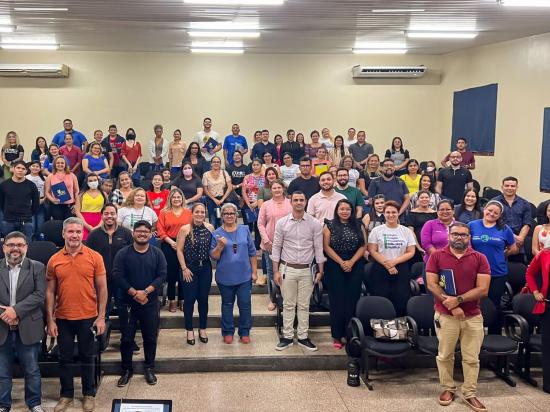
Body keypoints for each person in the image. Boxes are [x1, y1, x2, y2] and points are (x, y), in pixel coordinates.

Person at [426, 222, 491, 412]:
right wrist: (452, 306)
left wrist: (459, 300)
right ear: (449, 235)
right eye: (455, 234)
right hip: (446, 316)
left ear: (469, 237)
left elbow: (483, 289)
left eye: (463, 235)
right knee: (445, 355)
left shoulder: (479, 257)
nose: (459, 238)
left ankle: (470, 393)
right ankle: (448, 388)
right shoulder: (437, 256)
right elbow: (432, 284)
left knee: (472, 358)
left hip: (472, 316)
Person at [46, 217, 108, 412]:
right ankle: (66, 395)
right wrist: (50, 319)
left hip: (88, 316)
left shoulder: (94, 257)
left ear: (83, 234)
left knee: (87, 357)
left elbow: (102, 289)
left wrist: (101, 316)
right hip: (63, 317)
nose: (74, 235)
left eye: (78, 232)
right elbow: (49, 292)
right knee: (64, 358)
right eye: (70, 231)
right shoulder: (54, 260)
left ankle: (88, 394)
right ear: (63, 234)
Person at [112, 220, 167, 387]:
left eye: (146, 231)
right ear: (133, 233)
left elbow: (162, 275)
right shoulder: (123, 253)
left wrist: (146, 292)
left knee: (150, 337)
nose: (142, 234)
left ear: (150, 235)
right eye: (139, 231)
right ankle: (127, 370)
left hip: (149, 303)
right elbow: (117, 275)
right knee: (127, 339)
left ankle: (149, 368)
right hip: (128, 303)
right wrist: (134, 292)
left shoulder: (157, 253)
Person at [272, 191, 325, 351]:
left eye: (302, 199)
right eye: (296, 200)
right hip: (287, 269)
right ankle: (287, 337)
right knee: (288, 305)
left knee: (303, 306)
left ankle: (303, 336)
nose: (299, 202)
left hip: (307, 270)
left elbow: (318, 247)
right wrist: (275, 271)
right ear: (291, 202)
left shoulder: (314, 223)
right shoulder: (282, 223)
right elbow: (276, 247)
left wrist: (320, 271)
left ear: (306, 201)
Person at [0, 231, 47, 412]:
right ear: (4, 247)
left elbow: (39, 295)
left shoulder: (37, 267)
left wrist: (15, 311)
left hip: (28, 324)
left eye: (20, 245)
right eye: (11, 244)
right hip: (2, 324)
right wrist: (5, 314)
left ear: (26, 247)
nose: (15, 248)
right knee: (3, 371)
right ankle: (4, 405)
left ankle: (34, 404)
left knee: (31, 369)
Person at [210, 203, 257, 344]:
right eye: (226, 214)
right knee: (227, 304)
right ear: (222, 216)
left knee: (245, 304)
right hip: (225, 277)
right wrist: (219, 246)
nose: (229, 216)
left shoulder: (245, 229)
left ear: (236, 215)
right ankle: (228, 331)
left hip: (244, 276)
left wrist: (254, 272)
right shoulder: (216, 233)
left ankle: (244, 331)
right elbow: (214, 256)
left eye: (232, 213)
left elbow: (252, 252)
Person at [469, 200, 518, 334]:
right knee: (474, 304)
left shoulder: (504, 228)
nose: (491, 214)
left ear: (500, 215)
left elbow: (513, 248)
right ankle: (474, 334)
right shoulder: (472, 225)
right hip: (475, 272)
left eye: (495, 213)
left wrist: (502, 255)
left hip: (497, 272)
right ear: (484, 209)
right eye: (489, 210)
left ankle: (493, 334)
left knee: (494, 305)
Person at [323, 199, 366, 349]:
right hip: (335, 265)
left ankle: (350, 334)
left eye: (348, 209)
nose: (345, 211)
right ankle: (337, 335)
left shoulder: (358, 224)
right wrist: (342, 262)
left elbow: (363, 246)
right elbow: (326, 247)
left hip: (355, 264)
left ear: (351, 210)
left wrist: (351, 262)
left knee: (352, 300)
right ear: (337, 210)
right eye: (342, 209)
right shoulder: (330, 224)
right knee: (337, 301)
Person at [367, 201, 416, 316]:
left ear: (398, 213)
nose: (391, 215)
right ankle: (380, 329)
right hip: (380, 268)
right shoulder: (376, 231)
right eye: (387, 212)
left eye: (394, 212)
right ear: (383, 214)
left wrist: (393, 262)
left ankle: (399, 329)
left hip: (401, 268)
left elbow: (411, 252)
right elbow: (372, 250)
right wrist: (387, 264)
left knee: (401, 299)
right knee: (381, 299)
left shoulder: (406, 231)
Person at [176, 203, 215, 344]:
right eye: (197, 211)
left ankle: (202, 328)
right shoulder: (185, 229)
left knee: (203, 300)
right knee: (190, 300)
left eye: (202, 212)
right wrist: (184, 268)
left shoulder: (210, 228)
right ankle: (189, 330)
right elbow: (179, 250)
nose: (200, 214)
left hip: (205, 267)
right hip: (189, 268)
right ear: (192, 213)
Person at [257, 180, 292, 311]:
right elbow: (260, 224)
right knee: (272, 272)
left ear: (283, 189)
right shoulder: (266, 205)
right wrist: (266, 241)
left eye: (279, 187)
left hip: (288, 244)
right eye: (274, 188)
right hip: (270, 244)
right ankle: (273, 299)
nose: (277, 190)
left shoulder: (290, 203)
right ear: (271, 190)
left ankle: (286, 297)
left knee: (288, 272)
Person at [157, 189, 192, 312]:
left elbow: (191, 228)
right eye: (174, 197)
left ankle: (182, 299)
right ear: (170, 199)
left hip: (185, 244)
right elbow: (160, 230)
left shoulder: (188, 212)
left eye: (179, 197)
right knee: (171, 274)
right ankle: (172, 300)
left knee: (184, 272)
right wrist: (172, 242)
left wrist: (182, 243)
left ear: (182, 198)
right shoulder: (164, 212)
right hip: (169, 244)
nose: (176, 199)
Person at [525, 241, 550, 394]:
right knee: (548, 347)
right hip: (548, 307)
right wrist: (535, 292)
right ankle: (548, 384)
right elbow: (529, 273)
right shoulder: (545, 254)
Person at [493, 176, 534, 263]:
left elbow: (527, 223)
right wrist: (513, 237)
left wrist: (521, 238)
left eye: (512, 186)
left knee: (517, 271)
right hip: (499, 241)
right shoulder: (494, 202)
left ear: (517, 187)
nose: (509, 188)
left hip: (519, 244)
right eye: (507, 185)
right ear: (502, 187)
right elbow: (494, 221)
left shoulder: (525, 203)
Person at [0, 161, 39, 241]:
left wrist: (28, 215)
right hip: (8, 220)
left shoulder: (31, 185)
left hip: (26, 221)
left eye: (23, 169)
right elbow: (1, 203)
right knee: (8, 245)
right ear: (13, 169)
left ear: (26, 171)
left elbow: (35, 204)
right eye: (18, 168)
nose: (20, 170)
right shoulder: (4, 185)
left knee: (27, 245)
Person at [44, 156, 80, 221]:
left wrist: (77, 205)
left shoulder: (72, 175)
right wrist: (52, 200)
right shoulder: (50, 176)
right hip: (56, 206)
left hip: (70, 205)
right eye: (58, 163)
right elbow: (47, 192)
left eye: (62, 163)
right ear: (55, 164)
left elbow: (77, 191)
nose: (60, 164)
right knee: (58, 224)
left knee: (69, 224)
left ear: (65, 164)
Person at [202, 156, 234, 228]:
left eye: (218, 162)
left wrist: (222, 199)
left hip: (223, 200)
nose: (216, 163)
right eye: (214, 162)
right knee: (212, 221)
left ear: (220, 163)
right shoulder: (206, 174)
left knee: (222, 220)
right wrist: (214, 199)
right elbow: (205, 189)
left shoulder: (224, 173)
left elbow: (230, 187)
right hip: (211, 200)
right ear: (211, 163)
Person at [420, 199, 455, 264]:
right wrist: (439, 258)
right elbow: (426, 244)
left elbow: (467, 244)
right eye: (442, 209)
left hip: (455, 262)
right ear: (437, 212)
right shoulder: (429, 224)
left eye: (448, 209)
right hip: (433, 262)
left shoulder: (459, 225)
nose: (445, 212)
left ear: (453, 211)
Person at [406, 190, 437, 261]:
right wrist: (419, 248)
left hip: (432, 247)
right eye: (422, 197)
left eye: (426, 197)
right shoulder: (411, 213)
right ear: (418, 199)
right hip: (415, 246)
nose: (424, 199)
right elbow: (410, 232)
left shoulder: (435, 214)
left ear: (430, 199)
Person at [75, 173, 106, 240]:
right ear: (87, 182)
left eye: (95, 180)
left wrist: (99, 225)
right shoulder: (81, 195)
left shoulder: (104, 194)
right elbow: (77, 211)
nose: (93, 182)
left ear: (98, 181)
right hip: (84, 222)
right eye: (90, 181)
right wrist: (87, 225)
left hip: (100, 222)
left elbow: (106, 211)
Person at [26, 161, 47, 240]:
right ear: (29, 167)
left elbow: (47, 191)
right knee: (32, 225)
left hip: (41, 203)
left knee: (40, 225)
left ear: (40, 168)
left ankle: (39, 242)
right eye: (33, 166)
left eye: (37, 166)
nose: (35, 168)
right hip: (29, 204)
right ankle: (31, 242)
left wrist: (43, 199)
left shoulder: (44, 178)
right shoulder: (26, 177)